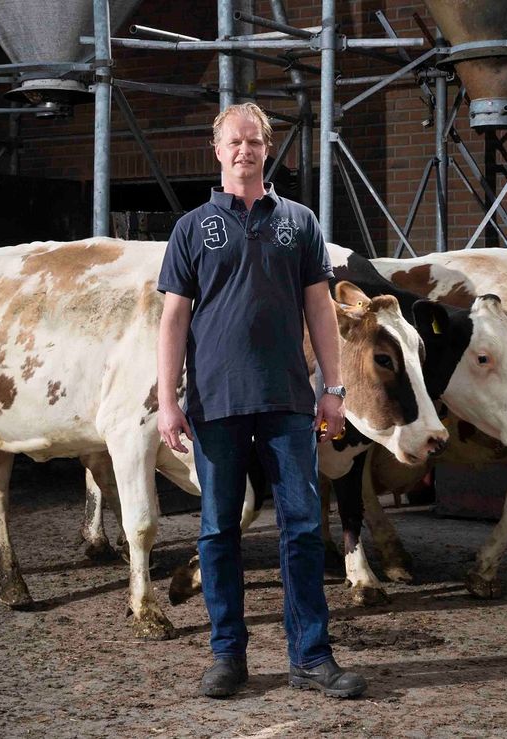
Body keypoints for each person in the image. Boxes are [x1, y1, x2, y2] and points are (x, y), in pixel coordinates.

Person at [156, 103, 367, 700]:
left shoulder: (299, 222)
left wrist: (332, 387)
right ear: (217, 150)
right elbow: (173, 319)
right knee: (219, 531)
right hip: (215, 402)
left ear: (267, 149)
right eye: (233, 142)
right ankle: (228, 656)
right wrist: (169, 400)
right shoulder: (192, 228)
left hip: (288, 401)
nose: (243, 151)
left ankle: (312, 658)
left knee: (301, 528)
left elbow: (320, 309)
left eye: (254, 141)